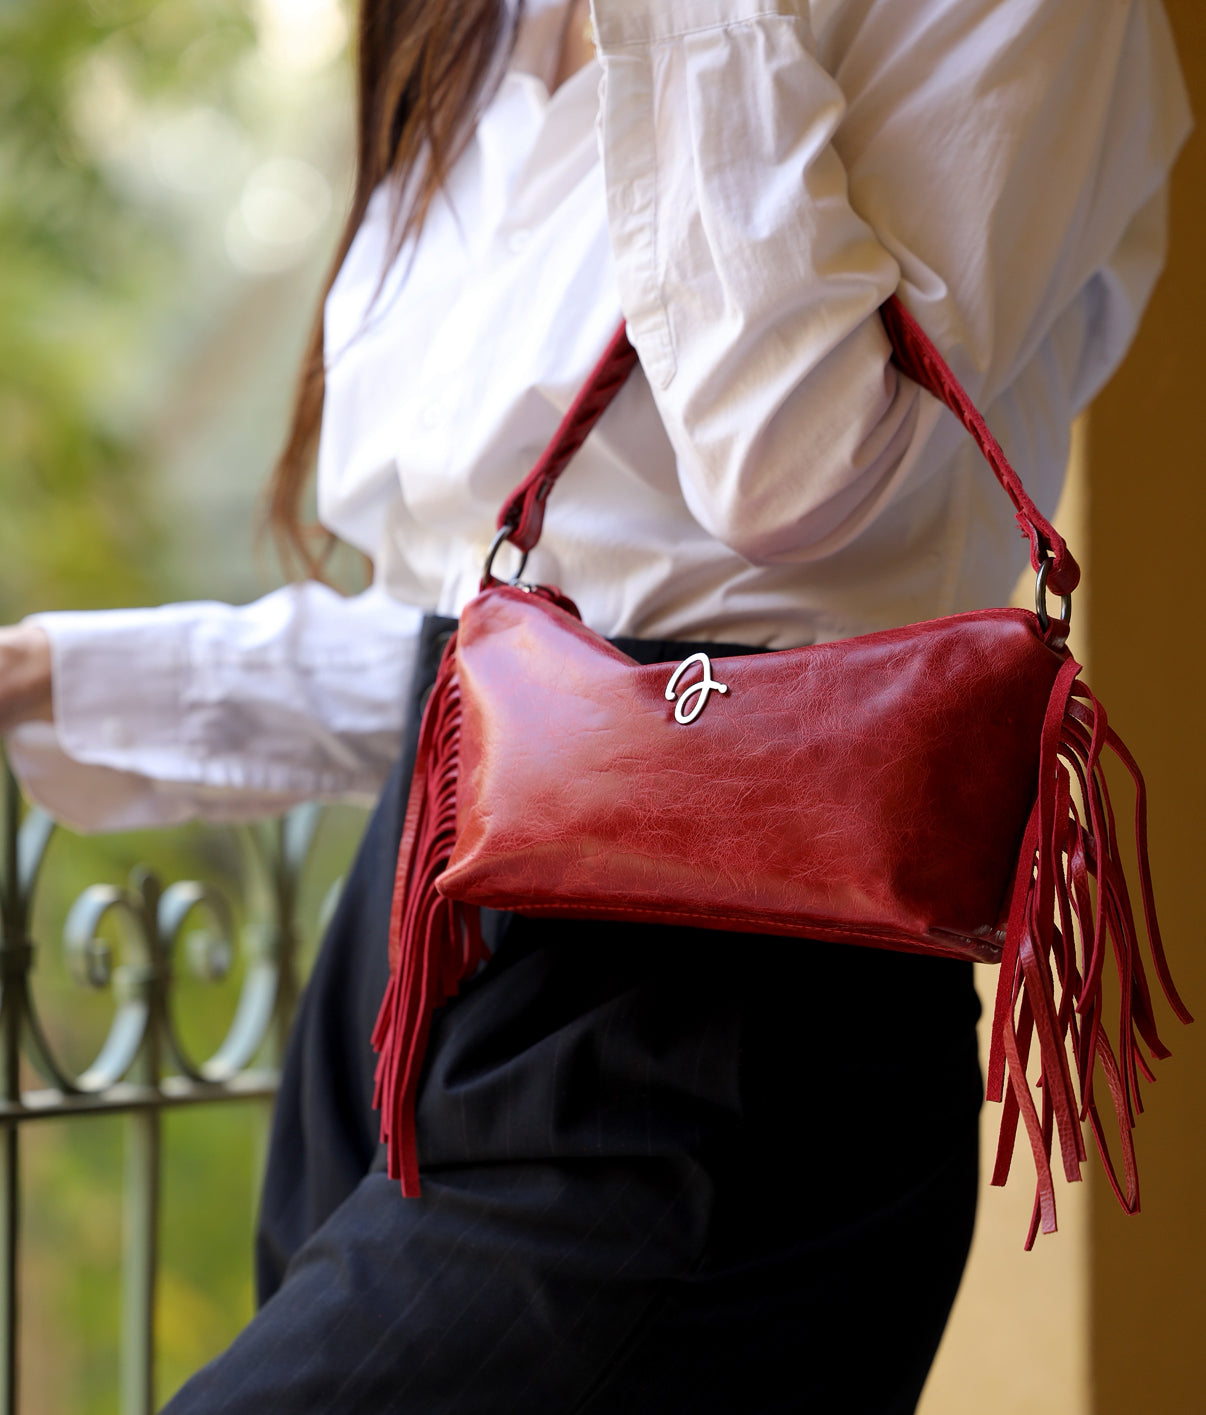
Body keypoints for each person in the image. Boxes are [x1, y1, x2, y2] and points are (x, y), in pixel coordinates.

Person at [0, 0, 1190, 1409]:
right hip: (409, 983)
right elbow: (508, 655)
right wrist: (52, 681)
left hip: (716, 1020)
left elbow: (792, 474)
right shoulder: (471, 26)